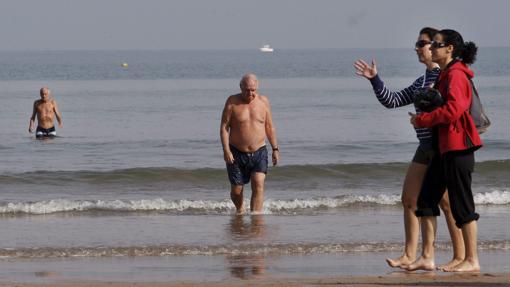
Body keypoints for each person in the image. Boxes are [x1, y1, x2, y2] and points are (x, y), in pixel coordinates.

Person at [354, 27, 464, 270]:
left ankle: (459, 257)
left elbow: (451, 110)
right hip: (424, 147)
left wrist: (423, 118)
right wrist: (375, 79)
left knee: (445, 205)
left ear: (435, 46)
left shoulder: (444, 76)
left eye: (422, 43)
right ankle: (410, 254)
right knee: (409, 200)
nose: (417, 47)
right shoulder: (422, 80)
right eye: (418, 43)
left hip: (439, 147)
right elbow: (391, 101)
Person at [409, 29, 482, 272]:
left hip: (459, 146)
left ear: (450, 48)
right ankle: (426, 256)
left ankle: (471, 260)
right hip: (444, 147)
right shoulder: (445, 75)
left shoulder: (457, 75)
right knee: (427, 199)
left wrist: (423, 120)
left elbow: (454, 110)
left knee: (462, 205)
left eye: (437, 45)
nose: (432, 49)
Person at [220, 74, 280, 214]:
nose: (250, 93)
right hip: (236, 152)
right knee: (236, 190)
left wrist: (275, 148)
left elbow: (270, 127)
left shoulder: (264, 102)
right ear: (240, 87)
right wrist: (226, 150)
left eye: (253, 90)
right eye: (247, 90)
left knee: (258, 183)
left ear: (257, 87)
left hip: (259, 151)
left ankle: (255, 217)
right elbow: (224, 128)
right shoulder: (232, 102)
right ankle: (240, 210)